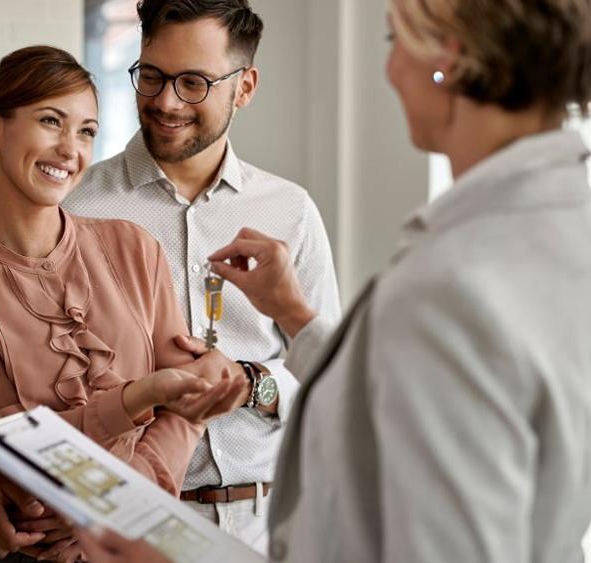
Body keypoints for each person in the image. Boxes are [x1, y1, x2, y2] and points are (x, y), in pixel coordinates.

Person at [78, 0, 591, 561]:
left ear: (450, 60)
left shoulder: (453, 277)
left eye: (395, 40)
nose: (390, 70)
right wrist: (294, 313)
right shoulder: (558, 232)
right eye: (153, 76)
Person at [0, 1, 342, 559]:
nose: (166, 101)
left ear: (244, 87)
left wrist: (252, 383)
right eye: (151, 76)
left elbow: (329, 374)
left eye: (194, 82)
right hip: (110, 527)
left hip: (264, 521)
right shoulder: (73, 201)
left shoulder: (291, 211)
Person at [0, 45, 250, 563]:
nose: (70, 149)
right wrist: (140, 396)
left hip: (132, 539)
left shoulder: (134, 248)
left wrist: (120, 507)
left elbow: (187, 407)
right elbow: (17, 446)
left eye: (86, 130)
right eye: (50, 121)